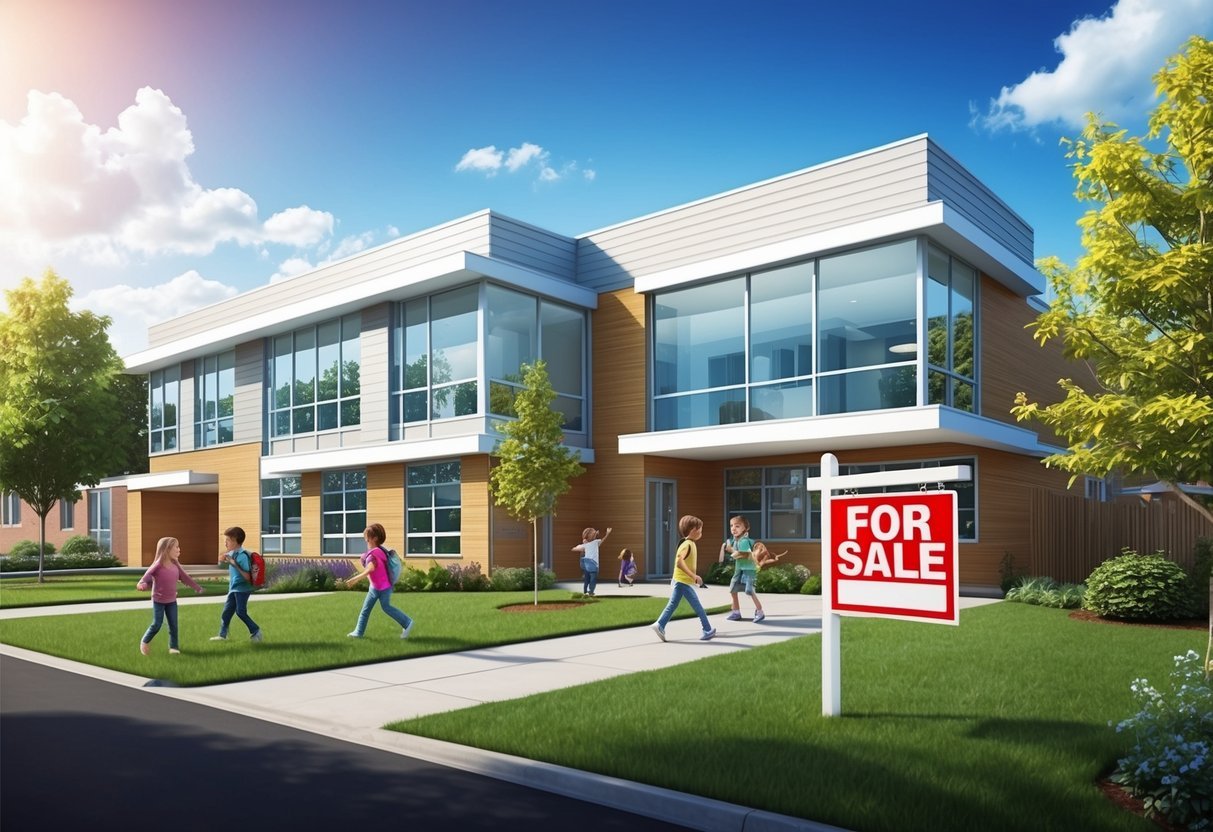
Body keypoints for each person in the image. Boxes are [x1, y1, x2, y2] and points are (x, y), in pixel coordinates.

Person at [339, 523, 414, 639]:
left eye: (367, 539)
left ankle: (407, 622)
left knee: (379, 608)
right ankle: (359, 632)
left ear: (374, 538)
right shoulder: (381, 550)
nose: (366, 541)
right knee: (370, 609)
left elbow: (370, 569)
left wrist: (355, 579)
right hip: (379, 587)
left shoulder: (373, 555)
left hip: (381, 588)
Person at [650, 515, 716, 642]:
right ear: (692, 530)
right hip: (682, 582)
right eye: (700, 530)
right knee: (697, 606)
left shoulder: (689, 543)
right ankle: (707, 629)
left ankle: (660, 625)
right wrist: (693, 576)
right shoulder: (687, 544)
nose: (701, 533)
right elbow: (679, 562)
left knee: (673, 605)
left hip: (681, 581)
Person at [136, 536, 203, 655]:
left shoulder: (175, 564)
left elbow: (185, 577)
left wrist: (196, 587)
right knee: (157, 624)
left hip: (172, 600)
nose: (179, 550)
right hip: (159, 600)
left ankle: (174, 647)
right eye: (176, 547)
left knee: (173, 625)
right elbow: (145, 578)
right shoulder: (157, 565)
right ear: (167, 549)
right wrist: (142, 584)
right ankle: (145, 641)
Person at [209, 526, 263, 643]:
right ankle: (222, 635)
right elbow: (220, 559)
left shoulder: (242, 556)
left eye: (227, 540)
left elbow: (247, 577)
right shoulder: (233, 554)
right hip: (234, 589)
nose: (225, 543)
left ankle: (256, 631)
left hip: (242, 590)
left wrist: (234, 565)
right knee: (226, 613)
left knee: (240, 612)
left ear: (235, 540)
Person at [722, 515, 764, 623]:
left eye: (737, 526)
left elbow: (743, 555)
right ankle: (736, 612)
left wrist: (731, 550)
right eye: (731, 526)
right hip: (739, 570)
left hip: (748, 570)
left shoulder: (744, 541)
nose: (733, 528)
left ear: (745, 528)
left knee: (749, 591)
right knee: (733, 590)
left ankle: (760, 612)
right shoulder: (736, 540)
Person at [572, 526, 611, 596]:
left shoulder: (585, 544)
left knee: (587, 577)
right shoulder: (596, 542)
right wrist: (607, 533)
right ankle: (591, 591)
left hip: (586, 563)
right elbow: (603, 540)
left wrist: (582, 547)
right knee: (593, 579)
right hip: (593, 564)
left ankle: (585, 591)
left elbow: (574, 549)